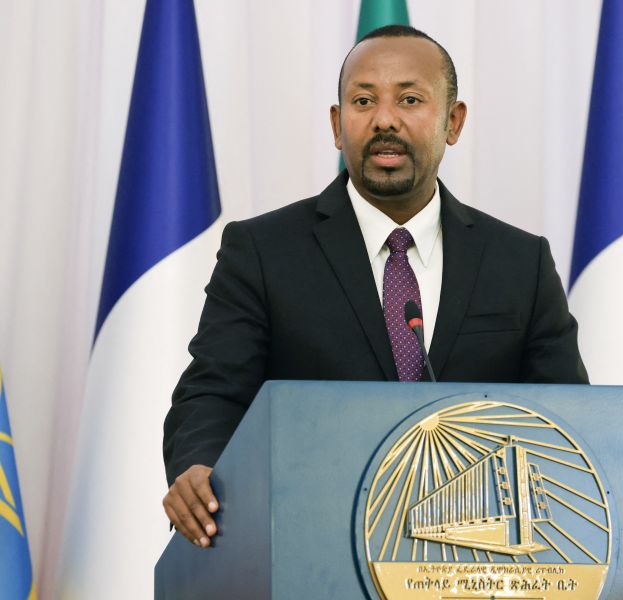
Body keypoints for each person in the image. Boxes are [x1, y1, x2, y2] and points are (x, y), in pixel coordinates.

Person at [162, 25, 589, 548]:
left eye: (410, 99)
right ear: (338, 126)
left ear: (453, 122)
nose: (385, 119)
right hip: (311, 542)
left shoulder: (520, 262)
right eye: (364, 101)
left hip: (477, 554)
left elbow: (567, 420)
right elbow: (213, 393)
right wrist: (200, 463)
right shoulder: (263, 251)